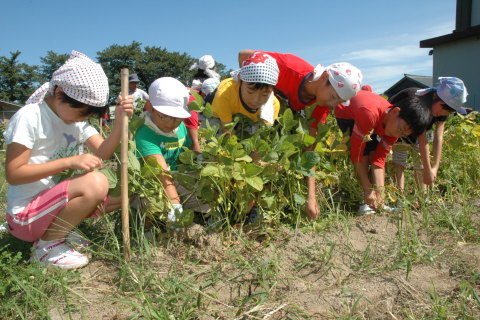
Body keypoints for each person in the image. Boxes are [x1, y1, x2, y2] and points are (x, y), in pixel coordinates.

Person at [3, 50, 133, 269]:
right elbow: (14, 174)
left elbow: (103, 153)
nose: (83, 118)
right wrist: (69, 162)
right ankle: (46, 248)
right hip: (24, 216)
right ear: (61, 92)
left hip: (48, 208)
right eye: (81, 112)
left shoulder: (77, 122)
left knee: (122, 196)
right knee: (96, 182)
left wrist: (119, 121)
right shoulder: (30, 116)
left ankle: (60, 233)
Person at [238, 50, 363, 219]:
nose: (331, 104)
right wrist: (249, 92)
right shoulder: (288, 67)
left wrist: (311, 198)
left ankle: (253, 208)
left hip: (277, 123)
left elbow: (308, 150)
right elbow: (243, 54)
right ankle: (239, 205)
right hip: (248, 113)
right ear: (325, 77)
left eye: (338, 102)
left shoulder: (321, 108)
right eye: (333, 96)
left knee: (273, 157)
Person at [334, 90, 432, 215]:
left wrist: (381, 194)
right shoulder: (369, 114)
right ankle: (365, 201)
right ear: (395, 112)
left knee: (374, 153)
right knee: (364, 152)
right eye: (400, 129)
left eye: (403, 134)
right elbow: (356, 154)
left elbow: (379, 160)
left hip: (373, 116)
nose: (398, 135)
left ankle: (377, 201)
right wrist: (367, 188)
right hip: (347, 113)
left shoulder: (395, 128)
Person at [135, 77, 208, 228]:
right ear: (150, 107)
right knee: (149, 203)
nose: (171, 123)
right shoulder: (145, 134)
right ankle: (151, 227)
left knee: (204, 190)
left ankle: (198, 217)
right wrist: (175, 202)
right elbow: (162, 173)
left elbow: (188, 154)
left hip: (177, 177)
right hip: (152, 182)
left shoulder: (179, 127)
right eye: (166, 116)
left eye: (177, 118)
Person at [390, 77, 468, 191]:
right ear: (434, 96)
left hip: (417, 130)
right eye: (442, 109)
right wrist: (428, 169)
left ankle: (423, 196)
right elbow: (422, 139)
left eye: (447, 112)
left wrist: (434, 168)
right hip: (399, 125)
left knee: (420, 163)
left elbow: (438, 136)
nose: (441, 113)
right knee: (399, 161)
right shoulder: (419, 102)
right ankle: (399, 195)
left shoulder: (444, 107)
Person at [210, 52, 280, 131]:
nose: (256, 100)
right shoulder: (224, 95)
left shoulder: (273, 104)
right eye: (250, 91)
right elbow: (227, 129)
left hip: (243, 117)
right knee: (215, 130)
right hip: (217, 115)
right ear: (240, 81)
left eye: (265, 94)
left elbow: (264, 133)